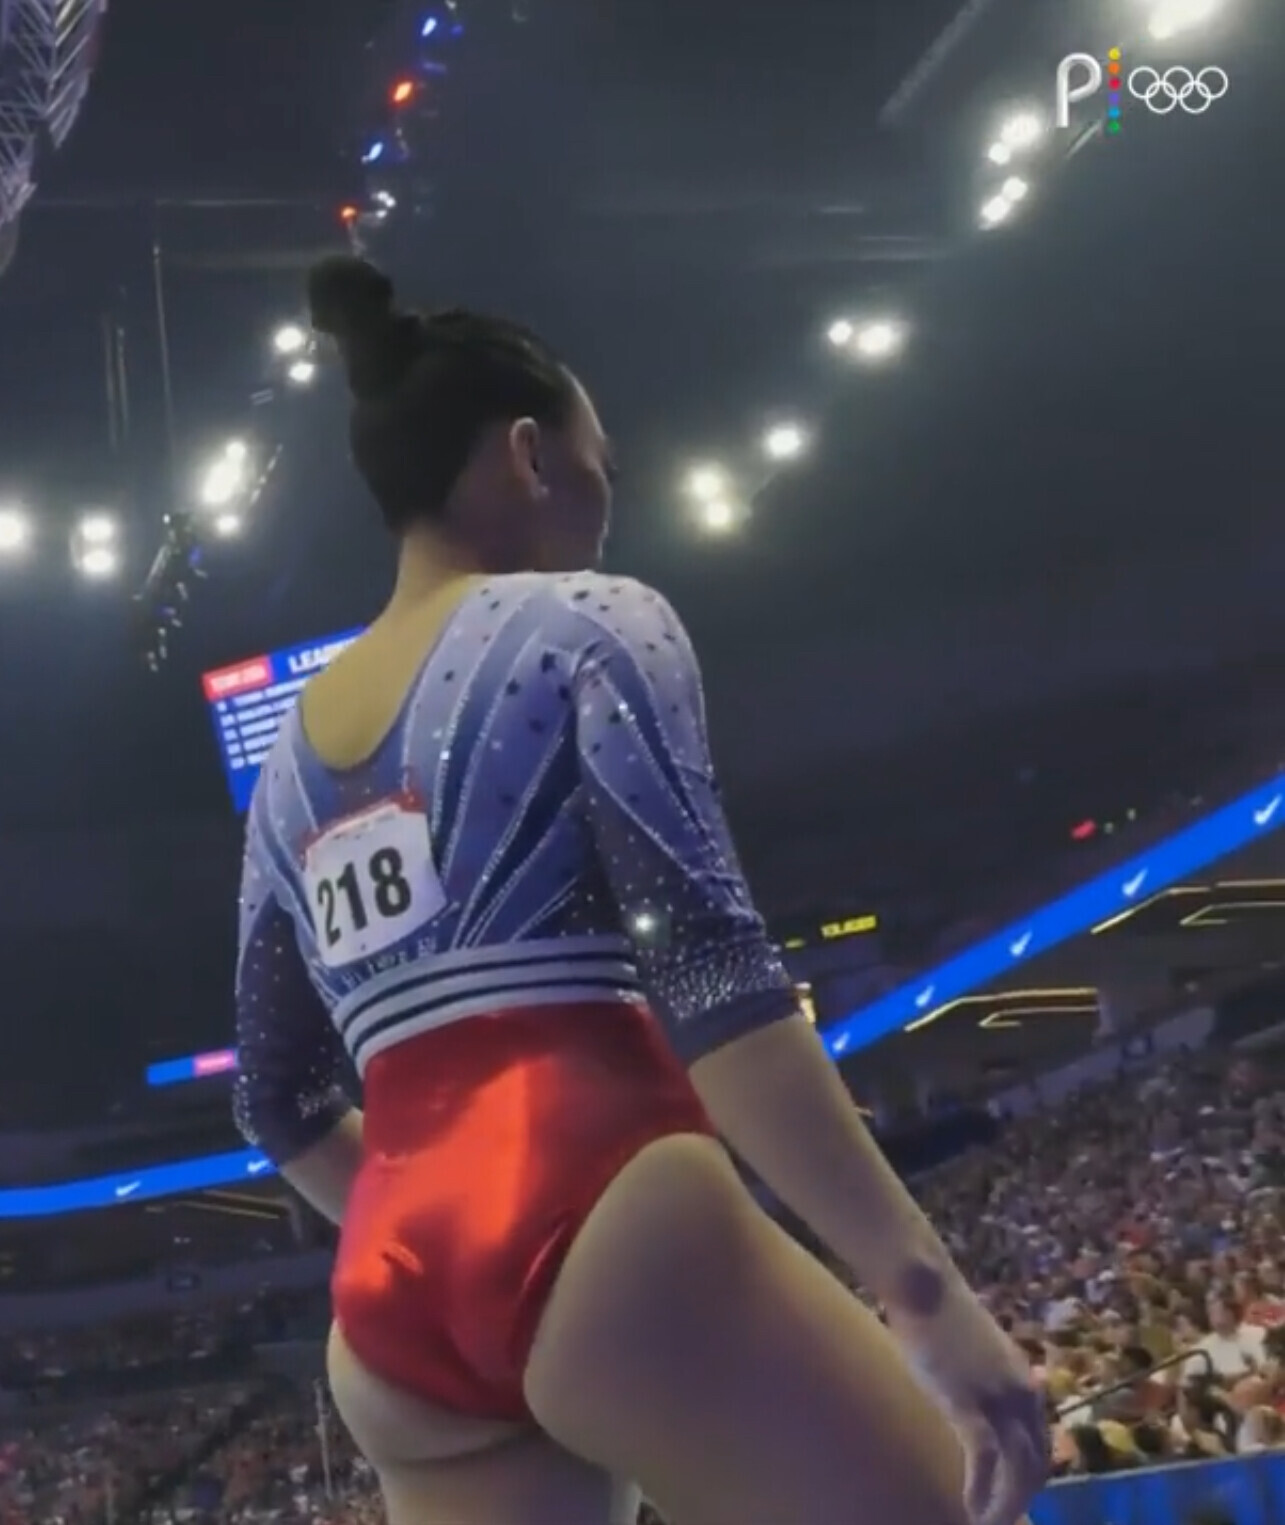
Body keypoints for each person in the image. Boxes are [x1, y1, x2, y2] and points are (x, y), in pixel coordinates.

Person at [232, 254, 1046, 1525]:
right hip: (597, 1192)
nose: (609, 494)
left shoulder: (284, 770)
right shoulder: (585, 623)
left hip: (389, 1287)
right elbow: (711, 969)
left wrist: (435, 1222)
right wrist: (919, 1290)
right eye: (599, 457)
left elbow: (275, 1096)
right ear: (528, 455)